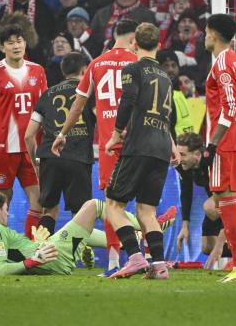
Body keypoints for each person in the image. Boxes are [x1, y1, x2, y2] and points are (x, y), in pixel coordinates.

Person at [51, 19, 139, 277]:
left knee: (112, 203)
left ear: (114, 36)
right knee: (144, 204)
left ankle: (113, 262)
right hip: (137, 140)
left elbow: (78, 105)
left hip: (108, 145)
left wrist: (62, 134)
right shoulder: (138, 62)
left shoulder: (96, 64)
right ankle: (148, 257)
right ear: (134, 37)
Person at [103, 22, 180, 280]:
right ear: (159, 45)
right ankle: (158, 265)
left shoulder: (133, 68)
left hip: (139, 146)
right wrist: (173, 145)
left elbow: (129, 99)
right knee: (146, 210)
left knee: (113, 204)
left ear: (134, 43)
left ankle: (135, 257)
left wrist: (115, 133)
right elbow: (170, 115)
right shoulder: (167, 77)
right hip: (160, 147)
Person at [0, 24, 48, 240]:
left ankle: (33, 252)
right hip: (2, 148)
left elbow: (45, 109)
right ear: (1, 47)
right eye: (11, 42)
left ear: (25, 43)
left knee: (38, 203)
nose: (16, 45)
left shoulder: (38, 71)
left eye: (19, 40)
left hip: (31, 150)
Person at [0, 192, 145, 276]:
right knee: (94, 206)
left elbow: (9, 258)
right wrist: (32, 261)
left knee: (85, 229)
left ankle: (128, 240)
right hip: (55, 256)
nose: (8, 214)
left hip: (49, 251)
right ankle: (147, 225)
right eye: (6, 210)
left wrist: (33, 255)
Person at [202, 13, 236, 283]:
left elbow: (229, 107)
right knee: (228, 202)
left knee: (226, 201)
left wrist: (212, 144)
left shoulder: (222, 63)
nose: (203, 36)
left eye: (205, 31)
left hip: (226, 141)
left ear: (213, 33)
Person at [24, 52, 95, 236]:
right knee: (79, 213)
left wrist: (35, 162)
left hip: (50, 157)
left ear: (63, 71)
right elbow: (102, 120)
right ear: (84, 69)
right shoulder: (88, 92)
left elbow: (28, 136)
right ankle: (71, 255)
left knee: (49, 210)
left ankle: (41, 251)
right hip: (78, 157)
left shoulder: (48, 94)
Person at [175, 132, 236, 269]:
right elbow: (186, 193)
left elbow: (228, 209)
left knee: (209, 207)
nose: (179, 158)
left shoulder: (212, 161)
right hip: (218, 197)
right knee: (207, 247)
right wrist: (185, 226)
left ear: (196, 154)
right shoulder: (183, 166)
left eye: (183, 154)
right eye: (178, 153)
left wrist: (220, 245)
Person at [156, 49, 195, 137]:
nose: (171, 69)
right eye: (166, 66)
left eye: (174, 65)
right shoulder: (158, 95)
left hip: (187, 146)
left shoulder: (179, 93)